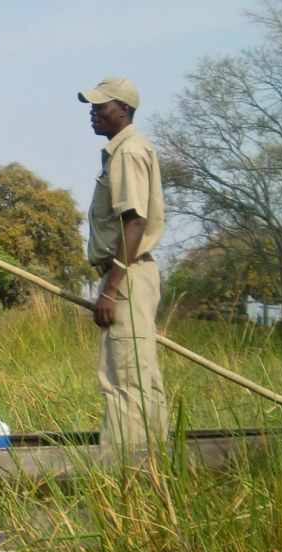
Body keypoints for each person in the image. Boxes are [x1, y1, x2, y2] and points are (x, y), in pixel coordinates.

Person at [78, 76, 169, 454]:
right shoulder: (124, 151)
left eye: (101, 106)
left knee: (125, 380)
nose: (93, 114)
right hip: (130, 273)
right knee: (140, 375)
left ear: (124, 109)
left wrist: (111, 289)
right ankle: (153, 461)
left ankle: (124, 474)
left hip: (127, 277)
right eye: (93, 107)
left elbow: (134, 222)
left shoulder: (129, 151)